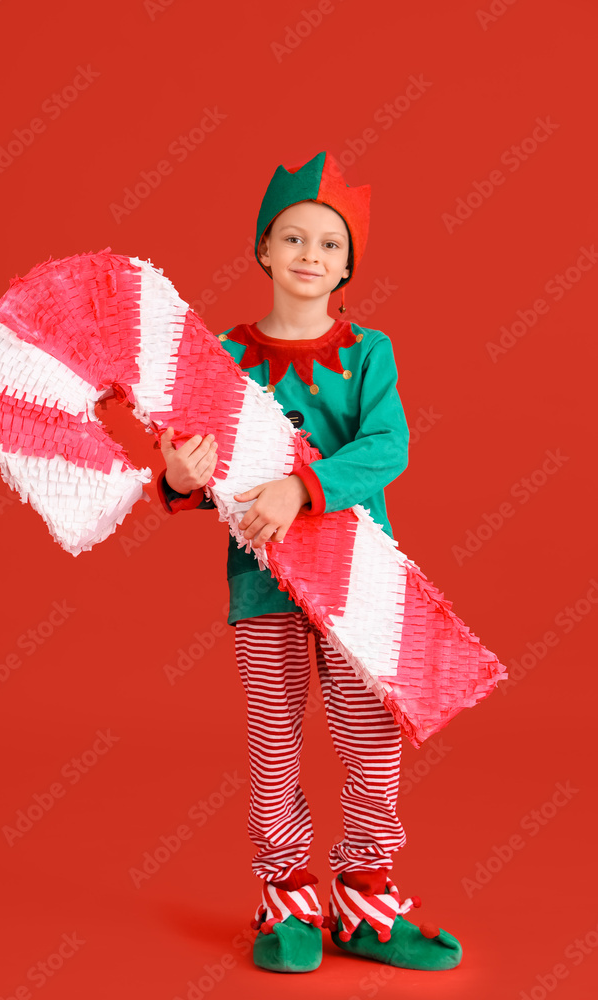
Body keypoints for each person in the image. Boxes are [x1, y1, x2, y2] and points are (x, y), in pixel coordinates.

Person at [155, 151, 462, 973]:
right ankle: (284, 897)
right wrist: (179, 478)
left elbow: (386, 443)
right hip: (262, 582)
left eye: (329, 245)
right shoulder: (221, 353)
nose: (309, 255)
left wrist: (302, 487)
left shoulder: (369, 351)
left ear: (347, 265)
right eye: (292, 237)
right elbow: (199, 460)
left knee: (370, 739)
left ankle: (365, 897)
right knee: (273, 739)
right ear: (262, 250)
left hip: (359, 580)